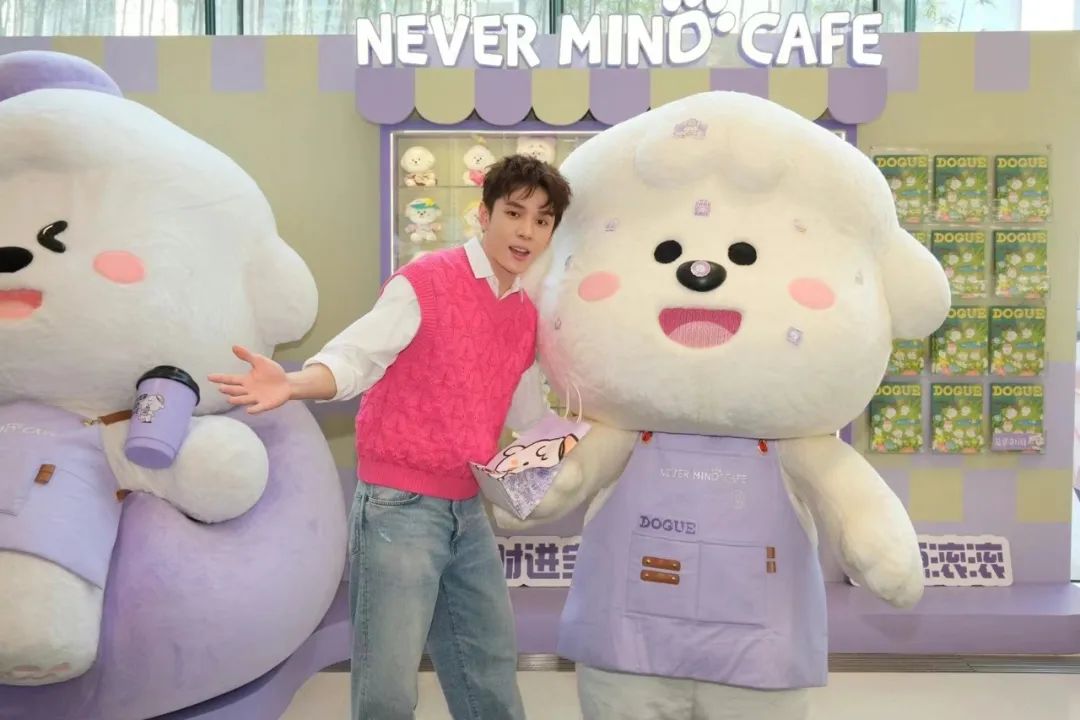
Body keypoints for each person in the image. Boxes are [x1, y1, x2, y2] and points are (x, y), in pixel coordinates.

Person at [209, 154, 572, 720]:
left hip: (468, 506)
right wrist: (294, 383)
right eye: (514, 213)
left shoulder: (524, 314)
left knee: (489, 666)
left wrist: (589, 430)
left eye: (542, 220)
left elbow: (526, 411)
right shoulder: (426, 280)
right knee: (388, 685)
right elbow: (356, 358)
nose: (526, 231)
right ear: (484, 214)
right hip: (397, 508)